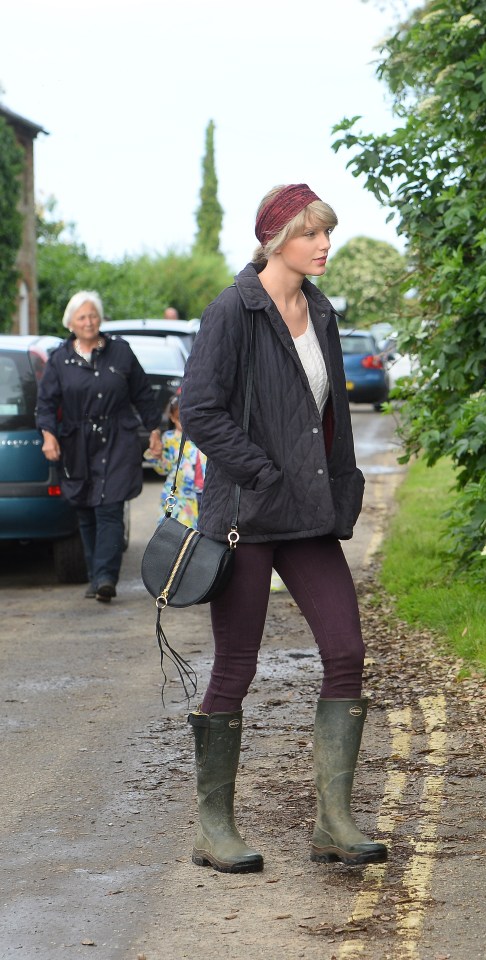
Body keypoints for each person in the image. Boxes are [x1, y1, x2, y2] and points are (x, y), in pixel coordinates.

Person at [178, 183, 386, 874]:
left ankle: (333, 822)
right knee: (236, 666)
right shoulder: (233, 311)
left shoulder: (320, 310)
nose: (324, 244)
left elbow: (326, 418)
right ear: (276, 241)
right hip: (246, 515)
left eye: (327, 232)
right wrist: (260, 471)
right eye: (311, 234)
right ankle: (215, 828)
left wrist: (339, 489)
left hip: (309, 513)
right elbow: (199, 410)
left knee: (347, 649)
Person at [36, 290, 163, 601]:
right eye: (82, 317)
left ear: (100, 319)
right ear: (71, 323)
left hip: (118, 437)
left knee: (109, 507)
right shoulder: (59, 360)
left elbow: (143, 394)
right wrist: (48, 435)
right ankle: (96, 578)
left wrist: (155, 430)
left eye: (93, 315)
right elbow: (46, 403)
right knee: (86, 510)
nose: (89, 322)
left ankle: (106, 577)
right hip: (77, 443)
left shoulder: (120, 352)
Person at [144, 393, 206, 529]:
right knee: (178, 533)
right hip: (179, 496)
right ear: (172, 417)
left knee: (203, 533)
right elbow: (164, 468)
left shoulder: (205, 436)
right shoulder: (170, 438)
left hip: (205, 493)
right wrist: (158, 456)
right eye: (179, 419)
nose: (184, 423)